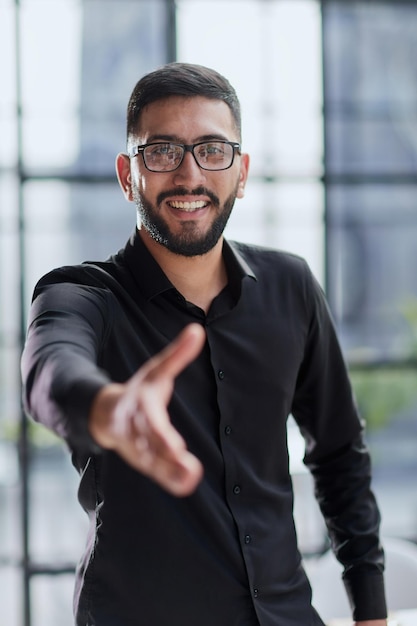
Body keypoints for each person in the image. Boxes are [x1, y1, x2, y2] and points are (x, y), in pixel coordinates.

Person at [21, 62, 387, 626]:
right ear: (127, 175)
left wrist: (371, 610)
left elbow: (340, 455)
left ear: (241, 172)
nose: (189, 175)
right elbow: (50, 369)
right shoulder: (83, 294)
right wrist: (106, 408)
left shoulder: (292, 287)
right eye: (162, 151)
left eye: (212, 150)